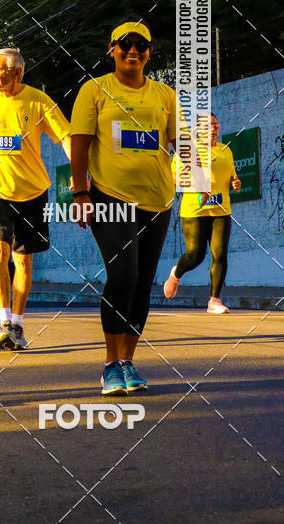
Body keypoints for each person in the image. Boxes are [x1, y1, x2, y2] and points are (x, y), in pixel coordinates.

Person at [71, 20, 178, 395]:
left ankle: (128, 361)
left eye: (141, 45)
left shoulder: (164, 94)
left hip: (158, 199)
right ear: (112, 50)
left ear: (149, 53)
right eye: (125, 44)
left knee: (143, 282)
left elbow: (177, 141)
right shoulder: (95, 89)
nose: (133, 50)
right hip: (108, 196)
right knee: (123, 274)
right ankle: (110, 364)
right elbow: (80, 143)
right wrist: (81, 194)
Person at [0, 48, 71, 351]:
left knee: (24, 262)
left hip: (33, 191)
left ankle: (18, 324)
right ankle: (3, 322)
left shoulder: (38, 100)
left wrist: (78, 175)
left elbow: (65, 135)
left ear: (18, 72)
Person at [165, 113, 241, 313]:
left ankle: (214, 300)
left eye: (216, 124)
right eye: (209, 125)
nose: (214, 128)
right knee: (195, 255)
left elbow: (232, 175)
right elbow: (173, 177)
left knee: (220, 254)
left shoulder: (226, 150)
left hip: (221, 211)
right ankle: (176, 273)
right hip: (194, 211)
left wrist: (235, 182)